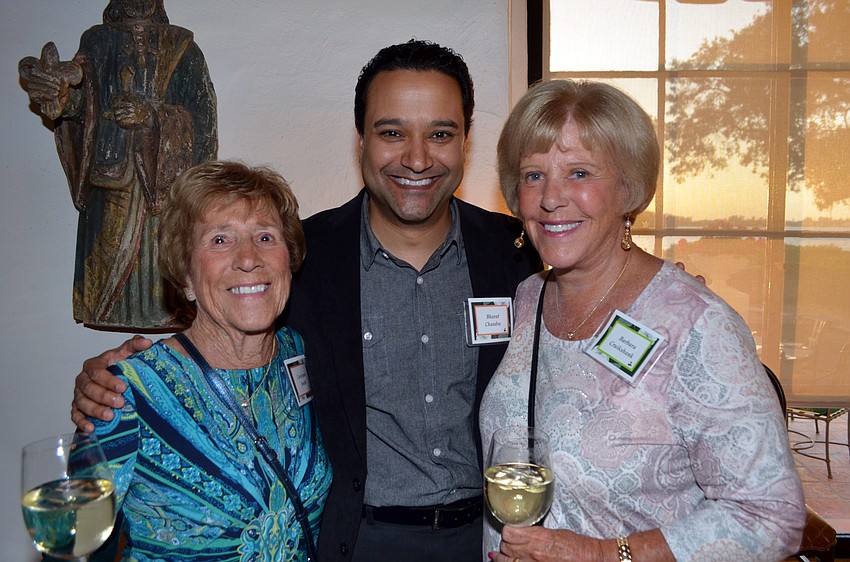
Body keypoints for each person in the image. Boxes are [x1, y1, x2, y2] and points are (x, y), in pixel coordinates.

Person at [72, 40, 541, 561]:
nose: (416, 157)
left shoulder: (518, 253)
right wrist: (114, 381)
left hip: (488, 541)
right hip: (352, 541)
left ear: (465, 141)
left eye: (440, 134)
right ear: (361, 140)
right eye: (391, 132)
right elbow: (220, 328)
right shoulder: (301, 259)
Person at [480, 80, 807, 561]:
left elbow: (770, 517)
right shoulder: (529, 298)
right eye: (533, 176)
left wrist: (597, 555)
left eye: (579, 172)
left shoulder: (695, 324)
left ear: (628, 189)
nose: (551, 197)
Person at [85, 160, 331, 560]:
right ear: (185, 275)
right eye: (220, 240)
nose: (248, 258)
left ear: (290, 260)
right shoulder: (126, 394)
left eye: (265, 237)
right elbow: (76, 547)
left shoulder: (302, 354)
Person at [19, 0, 217, 329]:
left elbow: (203, 119)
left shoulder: (183, 46)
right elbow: (86, 102)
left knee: (163, 262)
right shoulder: (97, 40)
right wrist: (62, 97)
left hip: (162, 180)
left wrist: (152, 116)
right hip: (109, 175)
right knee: (105, 264)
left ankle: (167, 310)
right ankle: (106, 308)